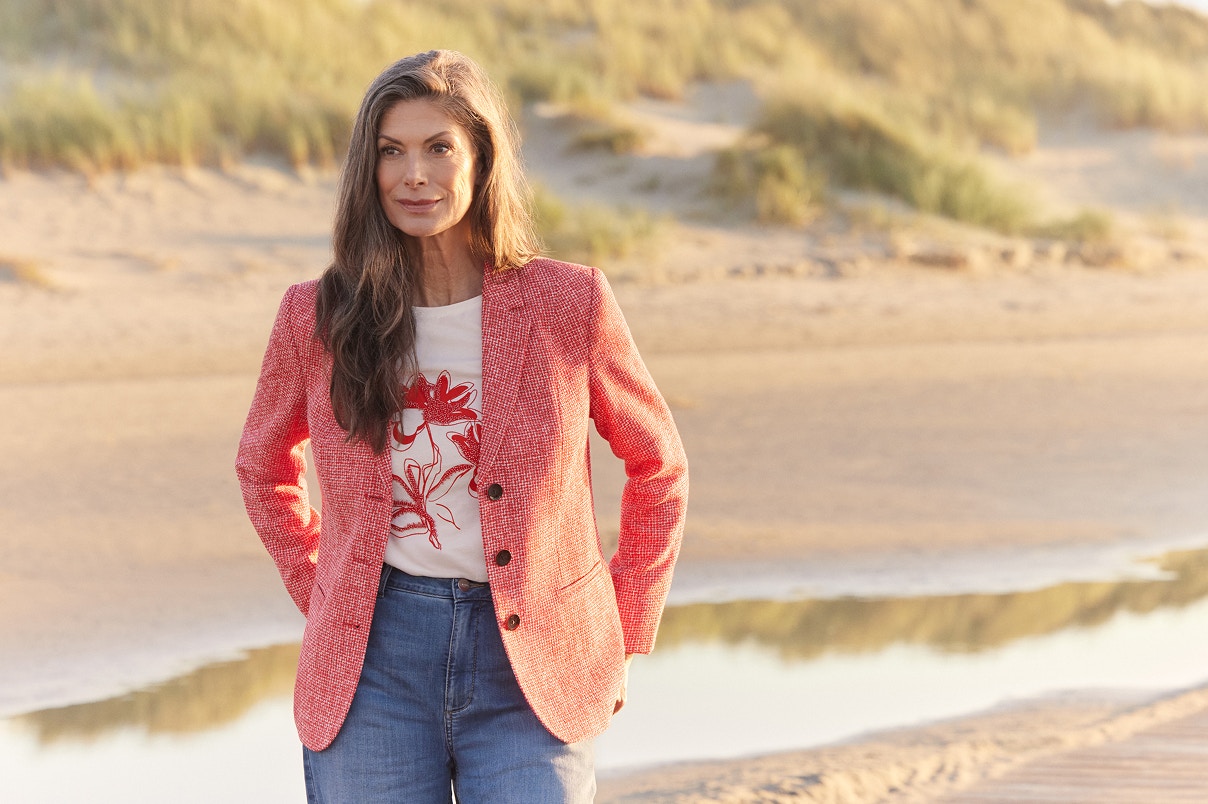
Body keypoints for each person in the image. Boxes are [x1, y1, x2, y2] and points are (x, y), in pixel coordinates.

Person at [235, 50, 688, 803]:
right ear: (367, 169)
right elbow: (263, 466)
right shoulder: (315, 315)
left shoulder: (569, 304)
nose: (414, 174)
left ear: (481, 160)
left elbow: (659, 466)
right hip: (372, 662)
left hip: (536, 657)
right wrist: (321, 589)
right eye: (391, 151)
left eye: (438, 148)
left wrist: (624, 626)